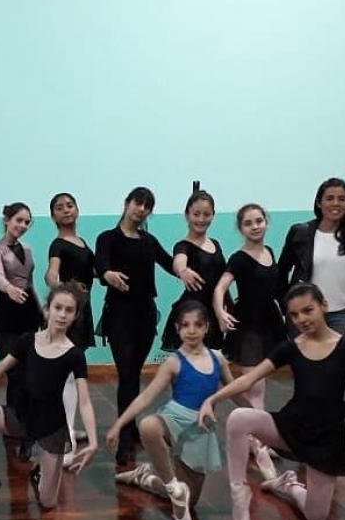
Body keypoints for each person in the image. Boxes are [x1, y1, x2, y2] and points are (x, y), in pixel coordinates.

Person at [199, 283, 345, 520]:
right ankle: (239, 490)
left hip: (325, 440)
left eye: (307, 310)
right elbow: (247, 380)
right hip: (290, 427)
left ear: (323, 306)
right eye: (294, 315)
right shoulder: (290, 347)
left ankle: (288, 486)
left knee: (316, 517)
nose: (301, 319)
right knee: (239, 418)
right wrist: (212, 399)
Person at [0, 283, 100, 520]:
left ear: (76, 315)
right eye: (58, 308)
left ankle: (40, 472)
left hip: (51, 427)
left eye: (69, 310)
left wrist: (93, 441)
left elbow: (84, 401)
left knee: (48, 502)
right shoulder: (27, 340)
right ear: (48, 309)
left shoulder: (74, 354)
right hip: (19, 417)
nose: (62, 314)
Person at [108, 300, 233, 520]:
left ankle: (144, 477)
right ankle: (172, 485)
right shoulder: (174, 362)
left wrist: (259, 419)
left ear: (207, 327)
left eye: (197, 325)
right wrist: (119, 423)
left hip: (199, 432)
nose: (191, 330)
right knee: (148, 426)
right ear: (177, 328)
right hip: (173, 421)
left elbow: (236, 390)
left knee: (191, 502)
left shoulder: (218, 358)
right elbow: (145, 398)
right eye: (185, 325)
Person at [94, 186, 180, 467]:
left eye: (147, 206)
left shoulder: (148, 240)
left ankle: (129, 431)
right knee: (127, 375)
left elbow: (169, 262)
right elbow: (101, 263)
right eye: (137, 203)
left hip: (145, 314)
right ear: (127, 203)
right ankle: (124, 440)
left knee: (134, 374)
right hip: (119, 314)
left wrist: (186, 265)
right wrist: (107, 274)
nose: (141, 209)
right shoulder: (108, 238)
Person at [213, 203, 284, 480]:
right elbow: (221, 286)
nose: (255, 226)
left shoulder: (270, 252)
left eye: (258, 221)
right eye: (248, 223)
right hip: (249, 326)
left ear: (266, 222)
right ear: (240, 228)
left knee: (260, 387)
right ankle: (259, 441)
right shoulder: (239, 258)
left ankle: (259, 438)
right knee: (253, 386)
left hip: (270, 322)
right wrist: (220, 311)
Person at [278, 178, 345, 336]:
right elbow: (281, 271)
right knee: (302, 359)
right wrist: (288, 307)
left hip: (342, 316)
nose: (335, 203)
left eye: (341, 199)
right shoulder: (300, 233)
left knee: (338, 360)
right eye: (329, 198)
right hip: (304, 314)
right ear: (319, 203)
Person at [45, 192, 96, 465]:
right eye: (59, 208)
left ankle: (69, 426)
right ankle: (65, 441)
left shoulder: (82, 242)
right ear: (53, 216)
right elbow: (50, 274)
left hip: (83, 312)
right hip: (70, 314)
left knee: (74, 375)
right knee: (65, 377)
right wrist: (65, 293)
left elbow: (93, 270)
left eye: (69, 205)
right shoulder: (58, 244)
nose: (66, 210)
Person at [0, 202, 44, 410]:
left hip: (28, 312)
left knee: (30, 367)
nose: (22, 225)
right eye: (18, 220)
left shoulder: (28, 249)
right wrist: (8, 289)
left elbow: (30, 282)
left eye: (27, 222)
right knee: (13, 369)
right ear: (7, 220)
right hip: (6, 313)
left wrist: (41, 311)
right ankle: (13, 418)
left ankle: (29, 416)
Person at [161, 185, 228, 352]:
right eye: (196, 214)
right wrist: (182, 271)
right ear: (187, 215)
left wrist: (227, 306)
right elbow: (179, 261)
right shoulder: (183, 245)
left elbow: (221, 278)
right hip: (192, 312)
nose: (201, 219)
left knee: (213, 362)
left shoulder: (216, 244)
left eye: (206, 214)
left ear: (213, 215)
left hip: (214, 310)